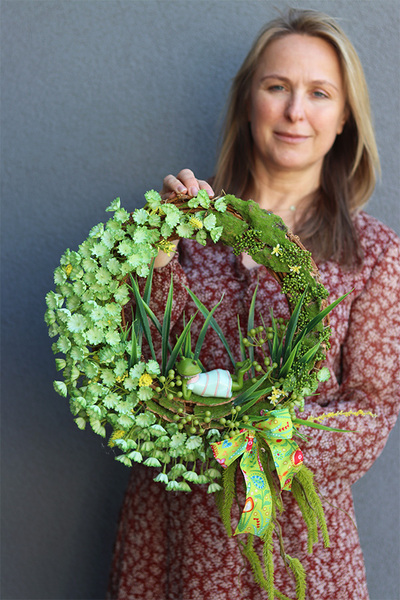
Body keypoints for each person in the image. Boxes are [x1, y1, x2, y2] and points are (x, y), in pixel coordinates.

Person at [108, 9, 400, 600]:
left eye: (319, 93)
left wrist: (259, 431)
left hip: (298, 551)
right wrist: (159, 260)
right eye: (277, 87)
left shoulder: (373, 253)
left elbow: (371, 414)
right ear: (248, 102)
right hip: (176, 537)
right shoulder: (182, 228)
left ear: (344, 117)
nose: (296, 111)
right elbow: (133, 375)